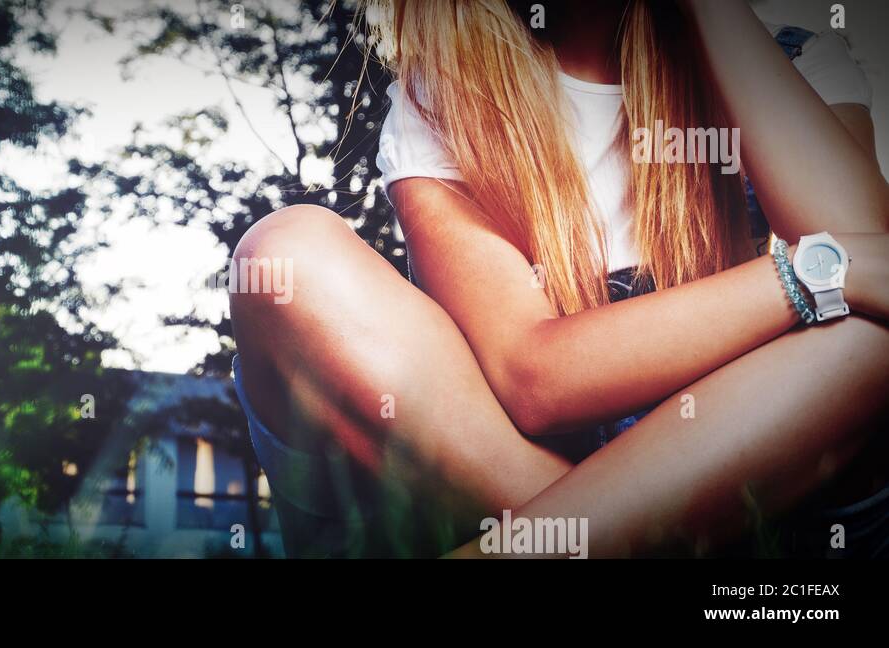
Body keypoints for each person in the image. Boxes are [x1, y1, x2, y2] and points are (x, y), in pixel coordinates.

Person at [230, 0, 889, 557]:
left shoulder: (791, 51)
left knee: (869, 340)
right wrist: (813, 273)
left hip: (752, 464)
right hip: (524, 472)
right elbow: (531, 377)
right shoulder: (448, 96)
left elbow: (871, 266)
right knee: (286, 254)